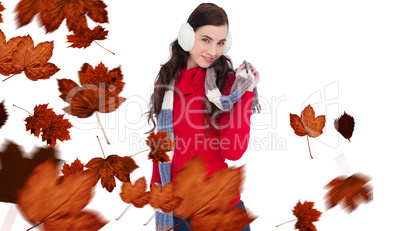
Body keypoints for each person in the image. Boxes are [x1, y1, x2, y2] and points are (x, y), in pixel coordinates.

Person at [145, 3, 260, 231]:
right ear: (187, 37)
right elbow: (162, 144)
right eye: (205, 40)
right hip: (177, 214)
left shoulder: (226, 84)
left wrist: (245, 92)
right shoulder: (168, 84)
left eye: (220, 43)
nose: (213, 51)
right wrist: (155, 188)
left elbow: (233, 150)